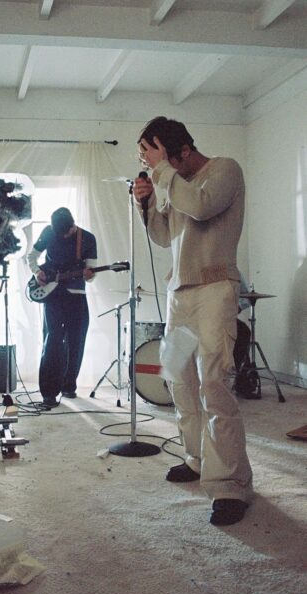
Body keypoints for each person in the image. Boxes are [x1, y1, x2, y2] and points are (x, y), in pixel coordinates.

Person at [133, 116, 252, 526]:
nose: (151, 167)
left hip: (215, 289)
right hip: (178, 293)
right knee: (178, 380)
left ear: (182, 150)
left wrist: (163, 175)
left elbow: (201, 207)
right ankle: (197, 459)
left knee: (214, 384)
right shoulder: (173, 182)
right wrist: (147, 203)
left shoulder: (224, 170)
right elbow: (164, 236)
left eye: (155, 157)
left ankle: (230, 485)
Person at [27, 207, 97, 409]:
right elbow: (32, 257)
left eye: (66, 233)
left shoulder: (87, 238)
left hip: (77, 294)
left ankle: (69, 385)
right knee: (53, 340)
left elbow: (91, 273)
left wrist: (89, 275)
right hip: (53, 295)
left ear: (73, 225)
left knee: (76, 340)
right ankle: (49, 392)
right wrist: (37, 272)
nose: (64, 236)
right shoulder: (49, 232)